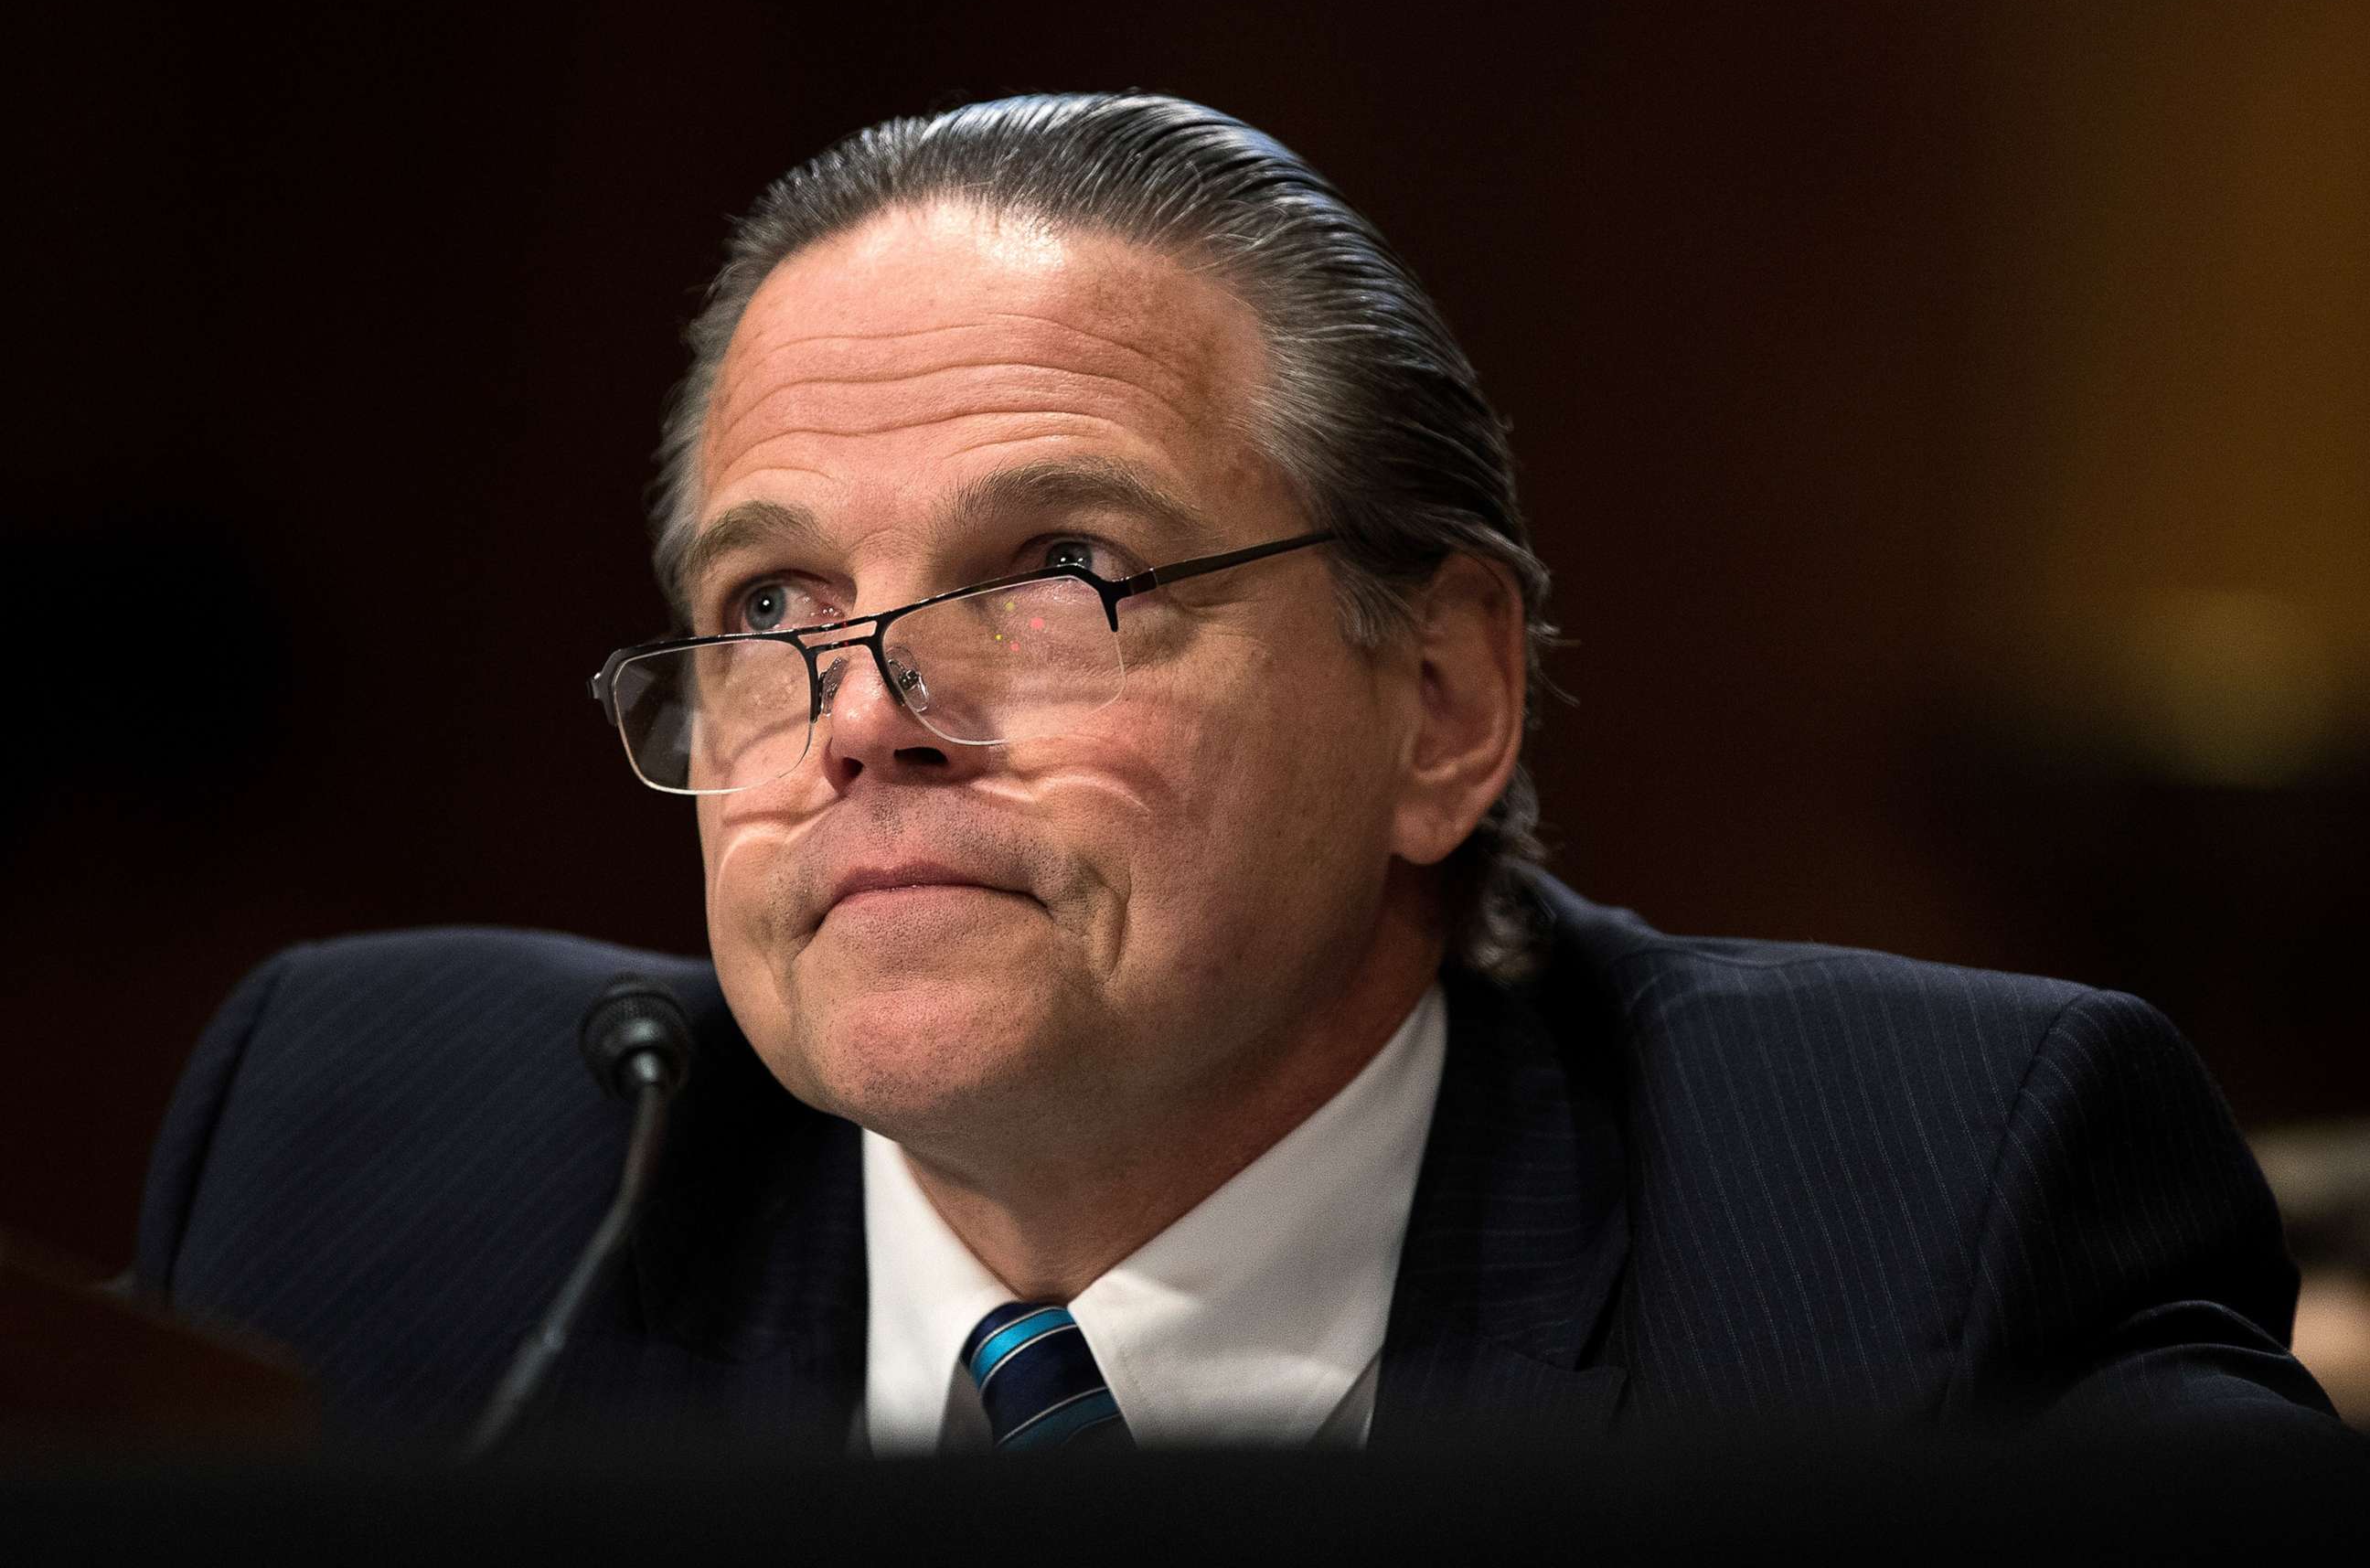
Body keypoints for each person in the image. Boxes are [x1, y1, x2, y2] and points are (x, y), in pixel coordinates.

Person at [136, 92, 2342, 1458]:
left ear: (1444, 701)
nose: (862, 711)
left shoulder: (1902, 1218)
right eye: (773, 606)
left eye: (1065, 569)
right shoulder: (383, 1157)